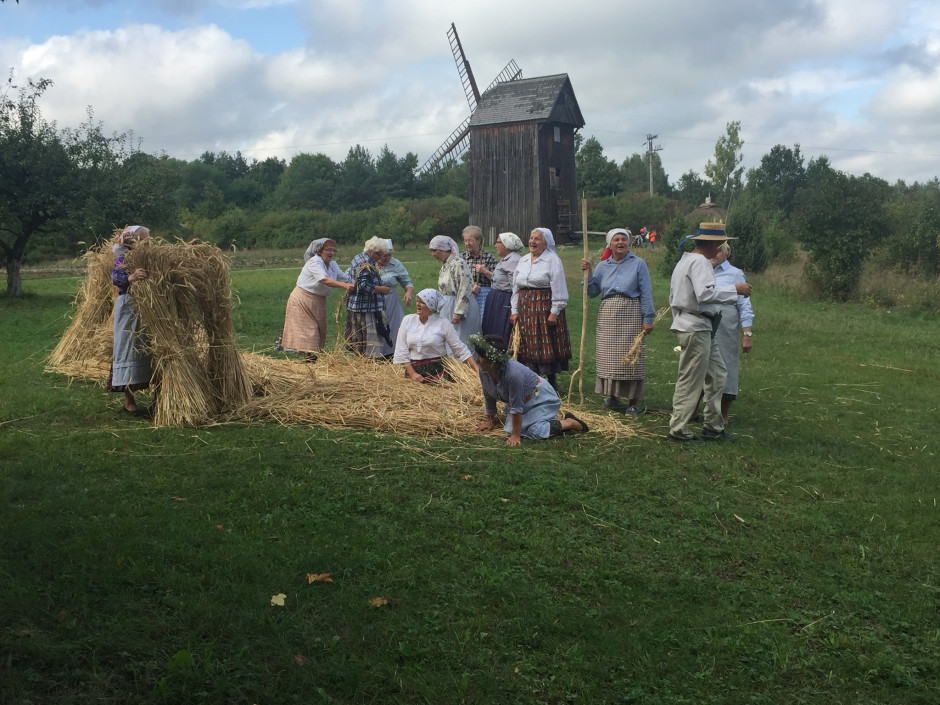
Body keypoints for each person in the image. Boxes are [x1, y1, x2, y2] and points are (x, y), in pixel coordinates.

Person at [667, 222, 752, 443]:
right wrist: (736, 290)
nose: (720, 248)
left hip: (701, 326)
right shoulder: (699, 262)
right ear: (712, 243)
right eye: (720, 243)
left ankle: (713, 426)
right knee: (691, 378)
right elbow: (705, 295)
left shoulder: (686, 261)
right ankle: (678, 429)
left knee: (717, 374)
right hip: (696, 327)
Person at [581, 228, 655, 414]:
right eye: (616, 240)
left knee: (631, 356)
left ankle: (633, 401)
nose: (620, 242)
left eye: (624, 239)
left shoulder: (638, 264)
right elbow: (592, 292)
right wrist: (588, 273)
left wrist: (648, 318)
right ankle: (613, 396)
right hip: (608, 315)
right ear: (610, 244)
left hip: (631, 313)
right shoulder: (603, 266)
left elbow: (646, 292)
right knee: (609, 357)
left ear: (628, 242)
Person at [470, 334, 589, 446]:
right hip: (525, 402)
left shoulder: (513, 374)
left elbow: (516, 406)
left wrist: (516, 435)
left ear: (493, 361)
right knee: (510, 428)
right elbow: (488, 395)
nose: (477, 360)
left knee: (535, 431)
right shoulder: (484, 370)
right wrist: (490, 421)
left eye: (481, 357)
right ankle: (548, 418)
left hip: (540, 397)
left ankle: (570, 423)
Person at [509, 227, 571, 390]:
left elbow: (559, 288)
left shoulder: (552, 260)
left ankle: (551, 382)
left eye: (537, 239)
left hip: (544, 307)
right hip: (525, 309)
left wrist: (554, 311)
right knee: (526, 344)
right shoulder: (522, 261)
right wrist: (514, 311)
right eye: (531, 238)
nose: (532, 241)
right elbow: (516, 288)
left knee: (546, 343)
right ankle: (529, 380)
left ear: (546, 243)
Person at [280, 238, 354, 360]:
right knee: (310, 333)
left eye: (333, 250)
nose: (331, 252)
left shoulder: (333, 265)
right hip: (302, 300)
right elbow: (324, 279)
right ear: (319, 250)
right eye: (328, 249)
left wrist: (358, 283)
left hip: (319, 302)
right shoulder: (314, 262)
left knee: (320, 333)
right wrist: (345, 286)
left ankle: (312, 362)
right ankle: (309, 363)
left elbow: (345, 278)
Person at [108, 225, 154, 417]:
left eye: (147, 238)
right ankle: (128, 400)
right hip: (129, 307)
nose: (146, 241)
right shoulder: (123, 259)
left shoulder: (153, 258)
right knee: (128, 349)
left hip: (151, 308)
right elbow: (116, 277)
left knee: (153, 349)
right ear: (131, 242)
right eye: (142, 238)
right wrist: (131, 277)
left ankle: (161, 395)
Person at [393, 288, 479, 382]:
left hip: (438, 371)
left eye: (422, 302)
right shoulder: (408, 320)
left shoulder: (442, 323)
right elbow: (401, 350)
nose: (417, 304)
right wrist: (412, 373)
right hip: (413, 371)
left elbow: (460, 349)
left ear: (431, 306)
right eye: (417, 301)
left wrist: (478, 373)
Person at [711, 242, 754, 424]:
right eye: (712, 248)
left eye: (719, 249)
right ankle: (693, 409)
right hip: (703, 319)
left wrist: (747, 334)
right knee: (700, 363)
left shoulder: (735, 273)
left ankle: (723, 412)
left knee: (726, 363)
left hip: (726, 321)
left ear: (727, 254)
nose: (715, 253)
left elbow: (744, 304)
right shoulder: (701, 269)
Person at [429, 235, 482, 344]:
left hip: (459, 306)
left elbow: (465, 288)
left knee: (461, 340)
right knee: (448, 339)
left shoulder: (459, 264)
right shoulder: (446, 265)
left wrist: (458, 312)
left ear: (444, 249)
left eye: (435, 250)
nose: (433, 254)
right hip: (448, 306)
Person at [345, 237, 393, 357]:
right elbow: (362, 286)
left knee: (359, 340)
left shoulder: (358, 257)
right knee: (366, 342)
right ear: (371, 251)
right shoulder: (365, 263)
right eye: (379, 253)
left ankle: (363, 361)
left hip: (358, 306)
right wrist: (381, 289)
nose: (380, 256)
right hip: (364, 308)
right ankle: (367, 363)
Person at [480, 231, 523, 341]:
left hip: (504, 301)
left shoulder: (513, 260)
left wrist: (514, 308)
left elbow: (515, 286)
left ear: (507, 244)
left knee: (500, 329)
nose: (495, 245)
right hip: (497, 299)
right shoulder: (506, 259)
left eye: (498, 242)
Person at [377, 239, 414, 359]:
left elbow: (407, 281)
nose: (387, 258)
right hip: (374, 300)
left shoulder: (395, 264)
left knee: (394, 325)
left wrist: (408, 293)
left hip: (391, 300)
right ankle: (376, 353)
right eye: (384, 255)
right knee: (376, 325)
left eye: (389, 255)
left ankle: (393, 353)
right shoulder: (369, 263)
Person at [460, 225, 498, 318]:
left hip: (485, 297)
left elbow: (497, 279)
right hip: (465, 295)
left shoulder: (489, 257)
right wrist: (471, 288)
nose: (467, 243)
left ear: (479, 241)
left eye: (470, 240)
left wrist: (485, 271)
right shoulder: (461, 258)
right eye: (465, 240)